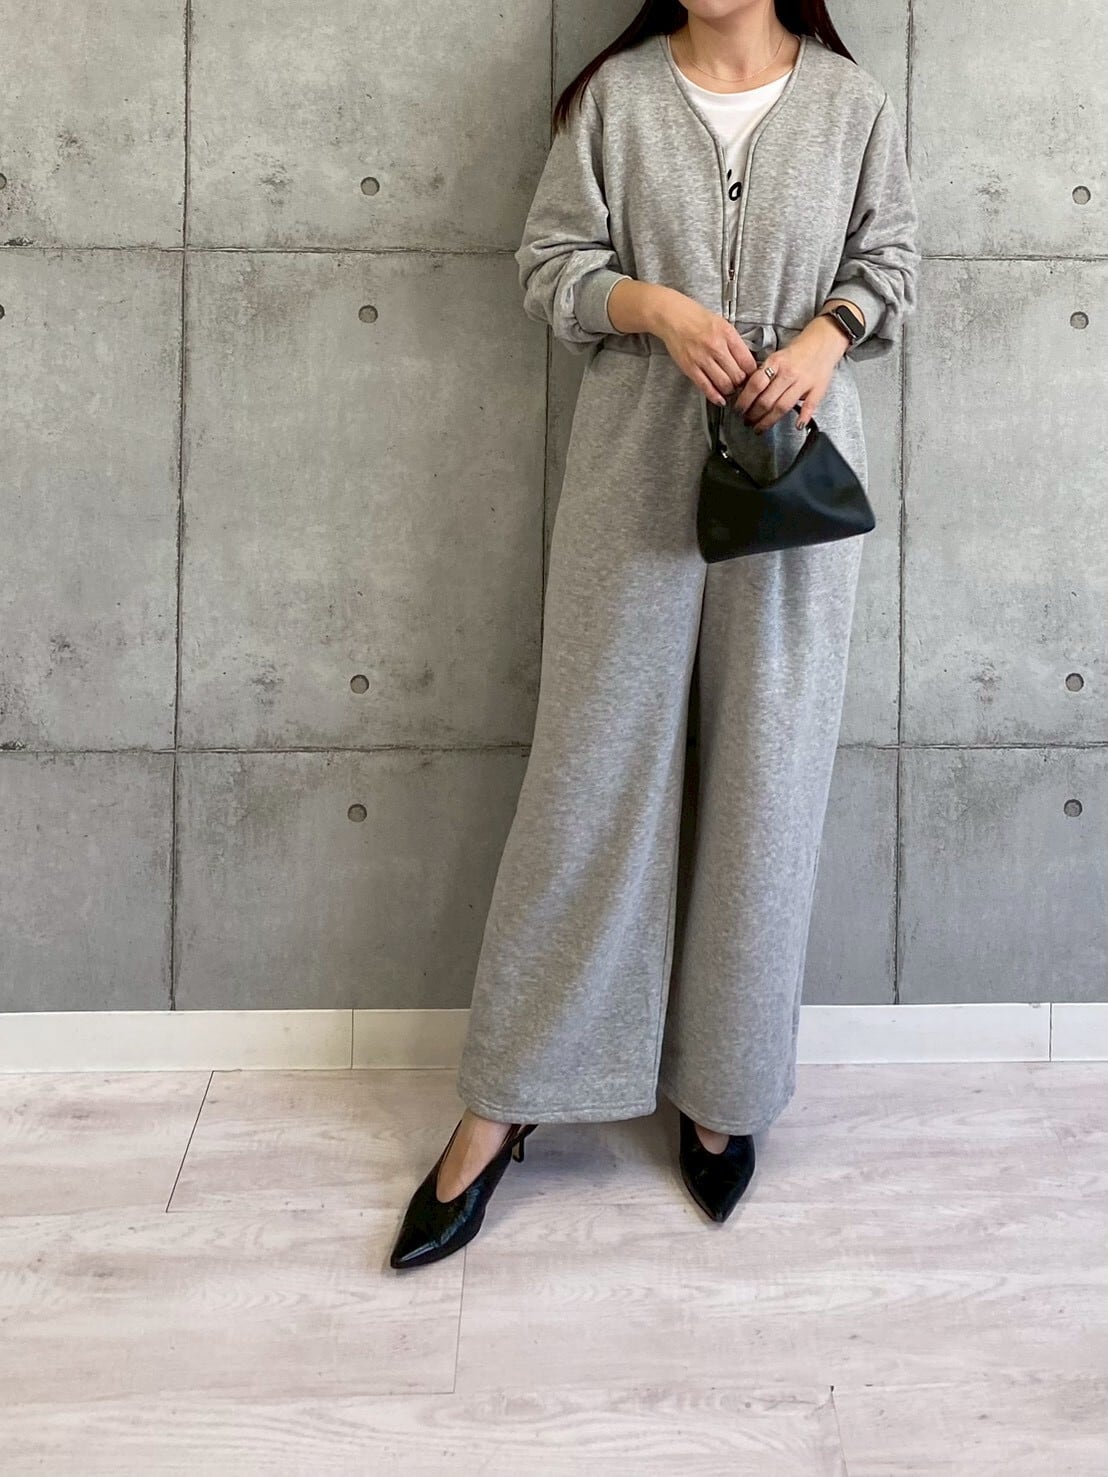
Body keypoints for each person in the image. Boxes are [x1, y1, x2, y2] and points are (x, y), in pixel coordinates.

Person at [390, 0, 919, 1270]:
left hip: (789, 485)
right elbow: (550, 263)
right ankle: (506, 1100)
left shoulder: (851, 105)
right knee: (588, 784)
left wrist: (824, 337)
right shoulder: (617, 99)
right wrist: (658, 310)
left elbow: (892, 263)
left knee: (764, 789)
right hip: (629, 481)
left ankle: (722, 1094)